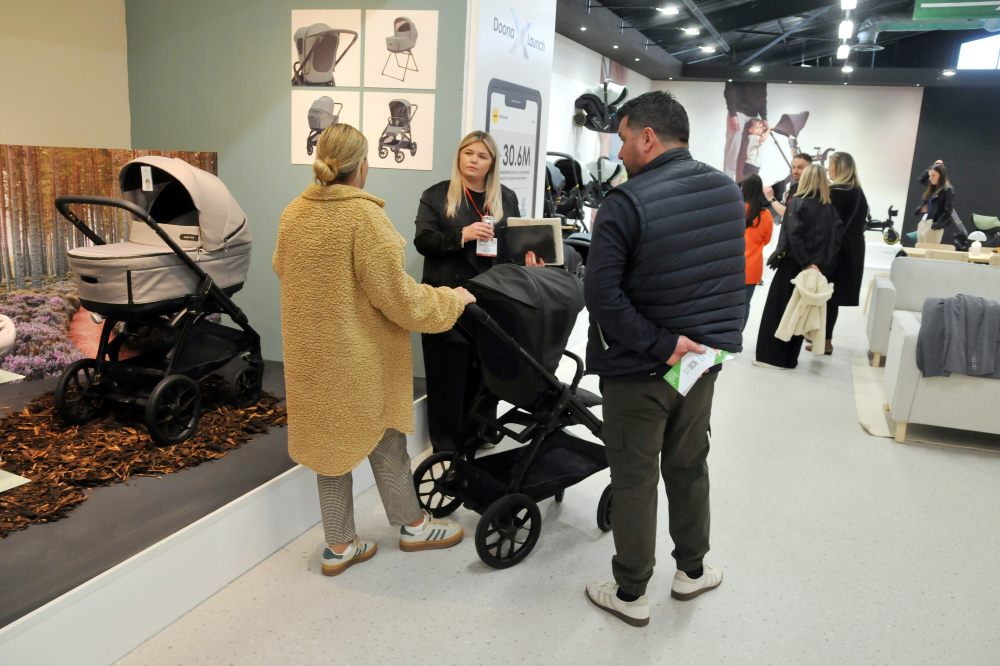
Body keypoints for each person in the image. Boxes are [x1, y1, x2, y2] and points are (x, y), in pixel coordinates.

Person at [273, 124, 473, 577]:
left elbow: (283, 269)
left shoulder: (292, 214)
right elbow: (398, 298)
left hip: (311, 356)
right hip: (357, 357)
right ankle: (413, 525)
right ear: (362, 166)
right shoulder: (364, 219)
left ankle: (340, 544)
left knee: (329, 449)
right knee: (385, 438)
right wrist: (451, 300)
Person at [583, 91, 746, 627]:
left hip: (638, 371)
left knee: (635, 478)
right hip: (701, 366)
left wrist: (660, 343)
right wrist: (706, 344)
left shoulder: (624, 203)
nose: (621, 151)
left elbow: (603, 298)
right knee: (689, 463)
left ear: (647, 137)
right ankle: (691, 572)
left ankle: (631, 592)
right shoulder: (728, 192)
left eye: (624, 138)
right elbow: (730, 278)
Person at [414, 131, 541, 453]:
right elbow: (424, 241)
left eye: (481, 156)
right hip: (447, 299)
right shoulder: (437, 195)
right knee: (447, 375)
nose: (473, 160)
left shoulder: (506, 198)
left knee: (486, 374)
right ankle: (447, 444)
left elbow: (511, 246)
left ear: (492, 163)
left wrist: (529, 264)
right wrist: (463, 234)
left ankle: (481, 435)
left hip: (491, 299)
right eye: (468, 153)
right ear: (459, 156)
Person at [754, 164, 843, 370]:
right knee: (800, 312)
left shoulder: (797, 203)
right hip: (816, 270)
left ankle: (771, 358)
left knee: (778, 311)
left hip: (793, 266)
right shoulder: (829, 209)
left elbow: (793, 235)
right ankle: (789, 359)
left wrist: (806, 262)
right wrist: (818, 265)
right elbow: (836, 240)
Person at [810, 151, 868, 355]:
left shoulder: (836, 192)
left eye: (831, 165)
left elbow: (826, 223)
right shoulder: (858, 192)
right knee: (832, 296)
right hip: (852, 249)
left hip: (835, 249)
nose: (828, 168)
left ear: (840, 167)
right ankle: (824, 340)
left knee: (823, 293)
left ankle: (821, 339)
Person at [741, 174, 774, 331]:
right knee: (745, 304)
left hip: (731, 267)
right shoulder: (766, 215)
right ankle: (736, 338)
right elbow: (767, 240)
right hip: (753, 268)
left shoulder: (736, 208)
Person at [723, 80, 767, 180]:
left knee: (746, 152)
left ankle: (741, 184)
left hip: (753, 116)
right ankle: (728, 181)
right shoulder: (738, 68)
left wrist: (764, 118)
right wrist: (733, 114)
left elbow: (763, 97)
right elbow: (728, 91)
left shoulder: (762, 75)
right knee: (733, 149)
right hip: (738, 112)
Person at [914, 161, 954, 245]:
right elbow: (921, 179)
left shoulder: (947, 189)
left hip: (934, 224)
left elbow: (948, 211)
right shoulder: (933, 187)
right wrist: (932, 166)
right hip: (925, 222)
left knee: (929, 250)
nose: (930, 178)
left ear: (941, 176)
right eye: (930, 175)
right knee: (919, 248)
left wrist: (937, 225)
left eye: (934, 175)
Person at [765, 152, 813, 219]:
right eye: (793, 167)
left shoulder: (812, 191)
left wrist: (771, 198)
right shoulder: (794, 188)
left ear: (810, 170)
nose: (795, 171)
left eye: (800, 168)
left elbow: (789, 215)